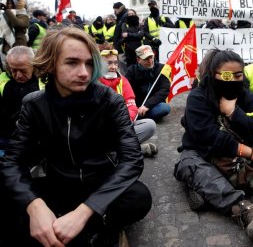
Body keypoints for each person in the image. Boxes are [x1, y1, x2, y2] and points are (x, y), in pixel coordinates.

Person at [0, 27, 152, 246]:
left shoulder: (110, 101)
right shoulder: (34, 105)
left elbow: (132, 160)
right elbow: (12, 162)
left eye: (89, 63)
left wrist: (85, 212)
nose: (84, 73)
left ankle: (96, 229)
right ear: (50, 64)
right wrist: (34, 205)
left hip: (102, 183)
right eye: (72, 63)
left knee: (138, 197)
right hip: (58, 184)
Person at [174, 49, 253, 244]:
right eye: (227, 76)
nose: (233, 80)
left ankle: (204, 190)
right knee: (192, 166)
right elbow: (209, 138)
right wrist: (250, 152)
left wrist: (233, 113)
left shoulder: (248, 97)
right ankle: (246, 212)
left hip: (234, 160)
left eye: (238, 75)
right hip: (200, 153)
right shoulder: (198, 97)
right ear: (214, 75)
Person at [99, 48, 158, 157]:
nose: (113, 67)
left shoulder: (123, 80)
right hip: (100, 129)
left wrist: (124, 122)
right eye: (109, 63)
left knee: (150, 125)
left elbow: (132, 107)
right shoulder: (93, 81)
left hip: (121, 125)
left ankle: (116, 152)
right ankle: (135, 150)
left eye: (116, 63)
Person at [0, 46, 44, 152]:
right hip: (6, 138)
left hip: (34, 141)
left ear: (33, 66)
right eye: (13, 70)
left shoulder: (44, 82)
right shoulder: (3, 81)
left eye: (23, 70)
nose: (18, 75)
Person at [126, 45, 171, 122]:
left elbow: (164, 90)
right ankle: (140, 115)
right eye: (146, 59)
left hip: (153, 105)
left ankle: (140, 116)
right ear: (138, 59)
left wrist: (147, 105)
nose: (150, 61)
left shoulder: (162, 69)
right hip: (137, 105)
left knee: (165, 108)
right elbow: (127, 91)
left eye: (151, 57)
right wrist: (135, 107)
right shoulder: (131, 71)